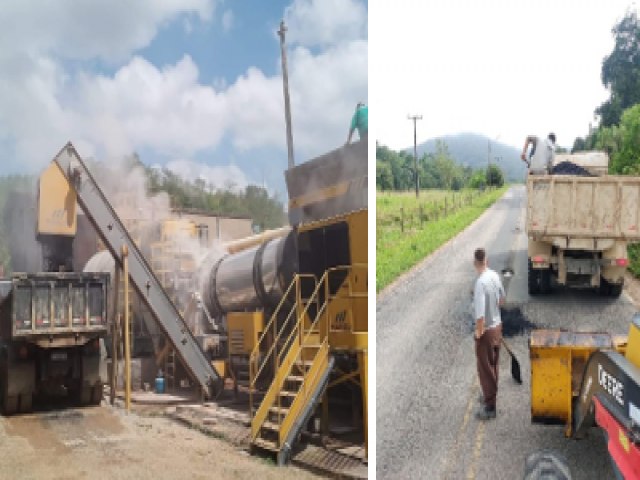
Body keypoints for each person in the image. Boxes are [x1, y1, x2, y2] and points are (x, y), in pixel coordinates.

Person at [473, 247, 505, 420]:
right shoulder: (494, 275)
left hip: (486, 331)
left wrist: (479, 334)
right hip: (498, 327)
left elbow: (480, 316)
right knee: (494, 364)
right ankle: (489, 394)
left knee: (485, 368)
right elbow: (501, 300)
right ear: (487, 261)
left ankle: (490, 407)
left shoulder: (480, 284)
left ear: (474, 263)